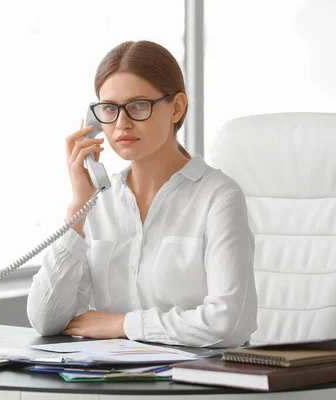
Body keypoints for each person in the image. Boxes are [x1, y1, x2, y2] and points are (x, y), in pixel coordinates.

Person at [26, 40, 258, 348]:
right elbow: (45, 320)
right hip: (112, 382)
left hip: (200, 384)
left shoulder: (219, 197)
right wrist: (78, 207)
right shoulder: (97, 203)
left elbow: (227, 324)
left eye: (138, 106)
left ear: (176, 107)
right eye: (109, 108)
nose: (121, 123)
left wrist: (122, 324)